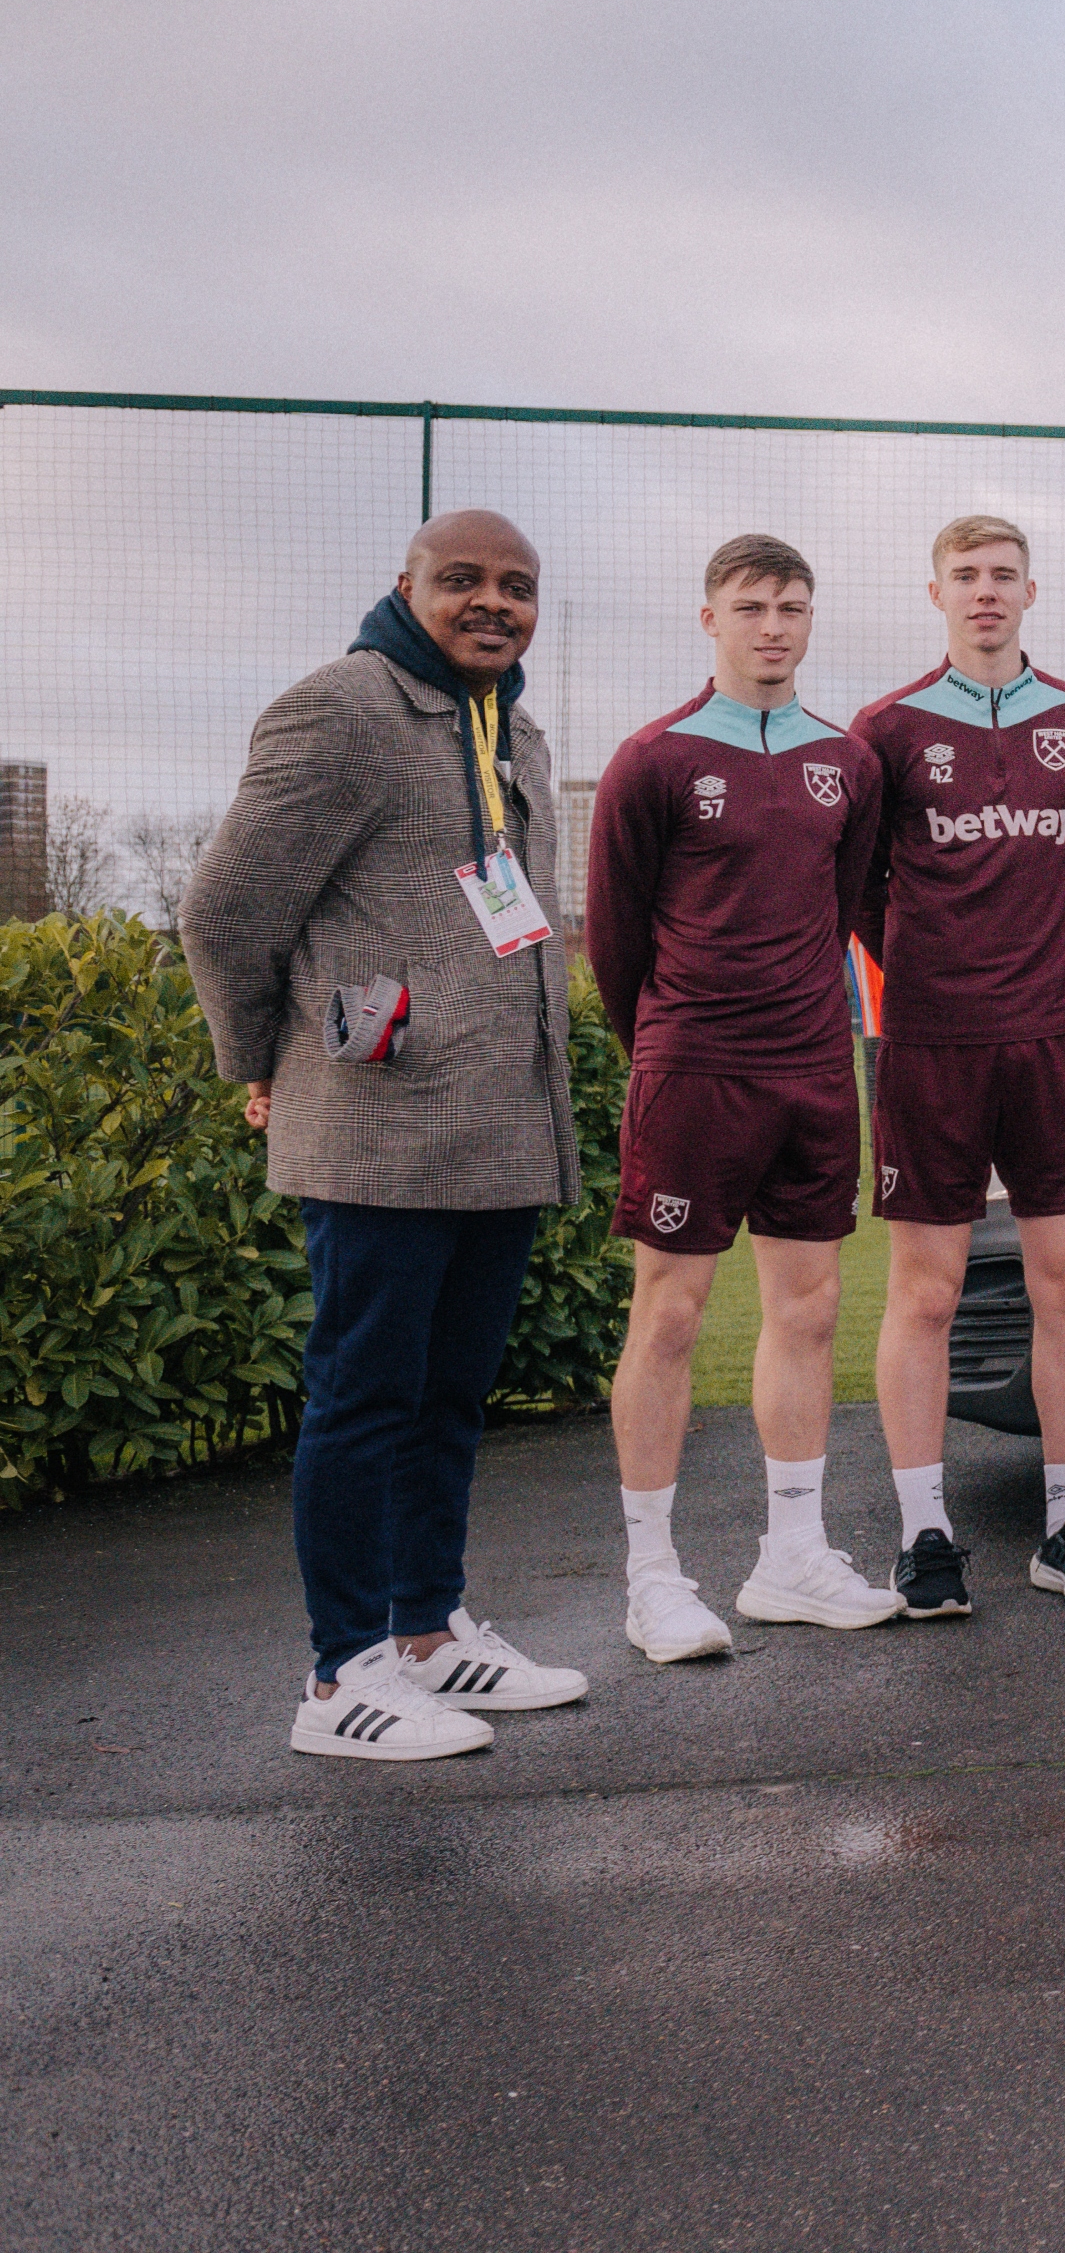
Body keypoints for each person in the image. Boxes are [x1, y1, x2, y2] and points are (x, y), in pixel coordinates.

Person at [181, 509, 591, 1759]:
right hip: (377, 1124)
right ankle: (340, 1673)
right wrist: (262, 1062)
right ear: (402, 585)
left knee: (449, 1394)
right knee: (363, 1397)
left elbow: (512, 926)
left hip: (495, 1124)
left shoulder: (508, 727)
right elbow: (224, 913)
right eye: (460, 579)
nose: (492, 602)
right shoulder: (343, 709)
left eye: (515, 586)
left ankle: (426, 1633)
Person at [586, 535, 904, 1663]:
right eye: (752, 605)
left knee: (810, 1307)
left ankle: (791, 1556)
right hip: (693, 1067)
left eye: (793, 607)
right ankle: (653, 1575)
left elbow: (849, 907)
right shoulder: (652, 759)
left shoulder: (847, 761)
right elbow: (616, 942)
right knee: (669, 1313)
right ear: (708, 617)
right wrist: (665, 1048)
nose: (774, 625)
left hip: (815, 1064)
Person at [853, 516, 1065, 1611]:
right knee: (926, 1292)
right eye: (964, 576)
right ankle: (925, 1534)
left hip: (1057, 1034)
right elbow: (858, 886)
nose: (984, 592)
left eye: (1001, 576)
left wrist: (1026, 964)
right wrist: (935, 964)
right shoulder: (886, 727)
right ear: (935, 593)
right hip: (929, 1042)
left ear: (1030, 591)